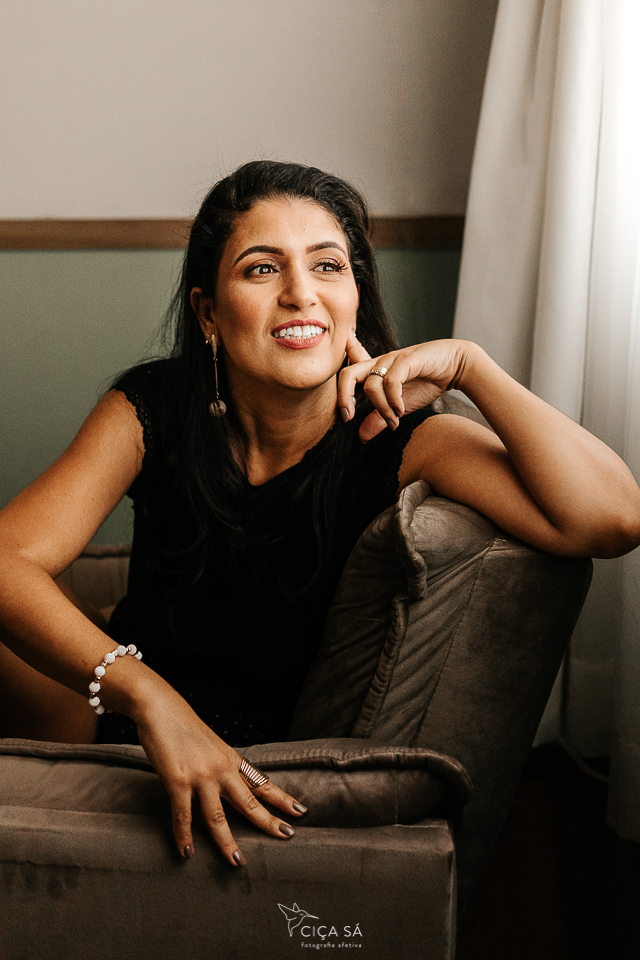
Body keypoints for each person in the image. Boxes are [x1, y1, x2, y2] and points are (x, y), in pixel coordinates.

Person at [1, 160, 639, 871]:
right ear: (208, 313)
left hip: (270, 766)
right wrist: (149, 698)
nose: (300, 293)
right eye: (262, 269)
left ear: (354, 297)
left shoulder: (401, 438)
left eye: (328, 266)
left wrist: (472, 367)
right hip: (114, 712)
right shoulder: (155, 405)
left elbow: (614, 518)